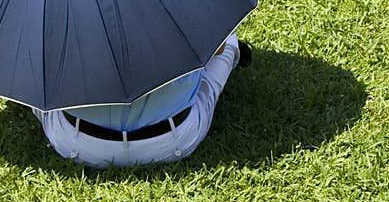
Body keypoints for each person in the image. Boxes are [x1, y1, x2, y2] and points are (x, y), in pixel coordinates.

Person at [32, 35, 252, 169]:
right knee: (227, 41)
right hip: (172, 139)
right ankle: (236, 52)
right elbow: (217, 48)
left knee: (31, 77)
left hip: (78, 142)